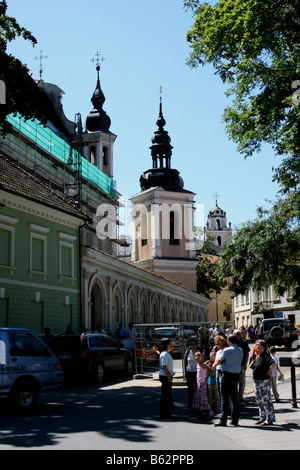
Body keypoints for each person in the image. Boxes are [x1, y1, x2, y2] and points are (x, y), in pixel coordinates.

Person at [214, 334, 243, 427]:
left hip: (227, 374)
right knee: (234, 397)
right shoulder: (240, 350)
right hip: (236, 374)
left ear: (228, 341)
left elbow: (219, 360)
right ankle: (235, 419)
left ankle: (223, 420)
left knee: (224, 397)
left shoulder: (227, 350)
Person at [250, 340, 277, 425]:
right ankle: (262, 417)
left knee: (266, 399)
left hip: (263, 381)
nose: (257, 347)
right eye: (257, 345)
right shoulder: (258, 356)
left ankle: (269, 418)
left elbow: (274, 364)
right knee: (259, 400)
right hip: (257, 381)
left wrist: (269, 371)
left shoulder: (266, 356)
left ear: (264, 347)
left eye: (259, 346)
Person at [192, 352, 214, 420]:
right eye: (196, 356)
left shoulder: (202, 364)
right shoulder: (198, 364)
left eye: (199, 356)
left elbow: (211, 370)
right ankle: (203, 412)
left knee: (203, 398)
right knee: (200, 398)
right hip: (199, 382)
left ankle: (210, 411)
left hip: (202, 382)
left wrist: (206, 377)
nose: (197, 358)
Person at [159, 337, 175, 419]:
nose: (170, 345)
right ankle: (165, 412)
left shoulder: (165, 353)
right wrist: (169, 377)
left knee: (166, 394)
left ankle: (166, 411)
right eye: (169, 344)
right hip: (165, 376)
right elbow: (164, 366)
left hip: (166, 375)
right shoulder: (165, 354)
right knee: (166, 394)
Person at [234, 329, 250, 401]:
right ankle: (235, 395)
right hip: (234, 365)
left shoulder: (244, 343)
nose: (237, 336)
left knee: (242, 381)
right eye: (236, 335)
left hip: (241, 364)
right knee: (234, 381)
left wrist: (246, 363)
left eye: (238, 335)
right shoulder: (232, 343)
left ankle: (241, 395)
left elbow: (247, 353)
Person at [184, 339, 198, 410]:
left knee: (197, 389)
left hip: (196, 372)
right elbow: (185, 362)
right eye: (191, 344)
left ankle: (197, 403)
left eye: (194, 344)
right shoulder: (187, 352)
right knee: (190, 389)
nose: (193, 345)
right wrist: (185, 373)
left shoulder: (198, 353)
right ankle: (191, 403)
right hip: (189, 372)